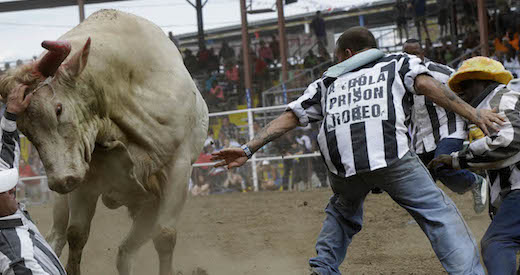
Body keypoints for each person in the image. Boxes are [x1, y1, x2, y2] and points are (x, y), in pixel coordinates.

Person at [211, 26, 502, 274]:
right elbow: (428, 85)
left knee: (341, 211)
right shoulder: (398, 63)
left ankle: (324, 266)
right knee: (437, 213)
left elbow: (291, 116)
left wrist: (248, 149)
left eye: (336, 55)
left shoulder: (326, 80)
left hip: (340, 164)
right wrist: (475, 115)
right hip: (390, 156)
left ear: (347, 54)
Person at [0, 84, 66, 274]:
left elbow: (6, 150)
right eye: (6, 189)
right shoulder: (18, 259)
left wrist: (11, 113)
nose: (13, 189)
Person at [428, 56, 518, 275]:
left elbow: (510, 139)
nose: (461, 94)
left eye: (465, 86)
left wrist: (456, 159)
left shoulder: (503, 99)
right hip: (512, 192)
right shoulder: (488, 107)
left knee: (497, 243)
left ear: (482, 82)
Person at [403, 39, 488, 213]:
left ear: (423, 53)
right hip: (421, 136)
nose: (412, 57)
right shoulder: (399, 80)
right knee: (422, 179)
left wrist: (474, 121)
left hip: (449, 128)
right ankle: (434, 213)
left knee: (442, 165)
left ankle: (474, 181)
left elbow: (465, 95)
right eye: (408, 53)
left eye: (416, 52)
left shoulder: (442, 72)